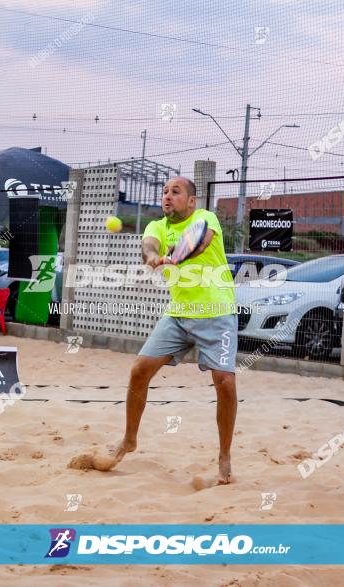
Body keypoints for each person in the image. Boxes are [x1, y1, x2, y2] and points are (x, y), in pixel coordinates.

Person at [97, 176, 238, 484]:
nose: (167, 196)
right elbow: (148, 246)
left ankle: (224, 454)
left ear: (191, 201)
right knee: (139, 370)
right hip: (178, 315)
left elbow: (200, 243)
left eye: (176, 192)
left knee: (225, 382)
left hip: (217, 312)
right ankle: (130, 439)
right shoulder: (157, 226)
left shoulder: (205, 217)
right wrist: (151, 258)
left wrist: (174, 255)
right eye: (164, 192)